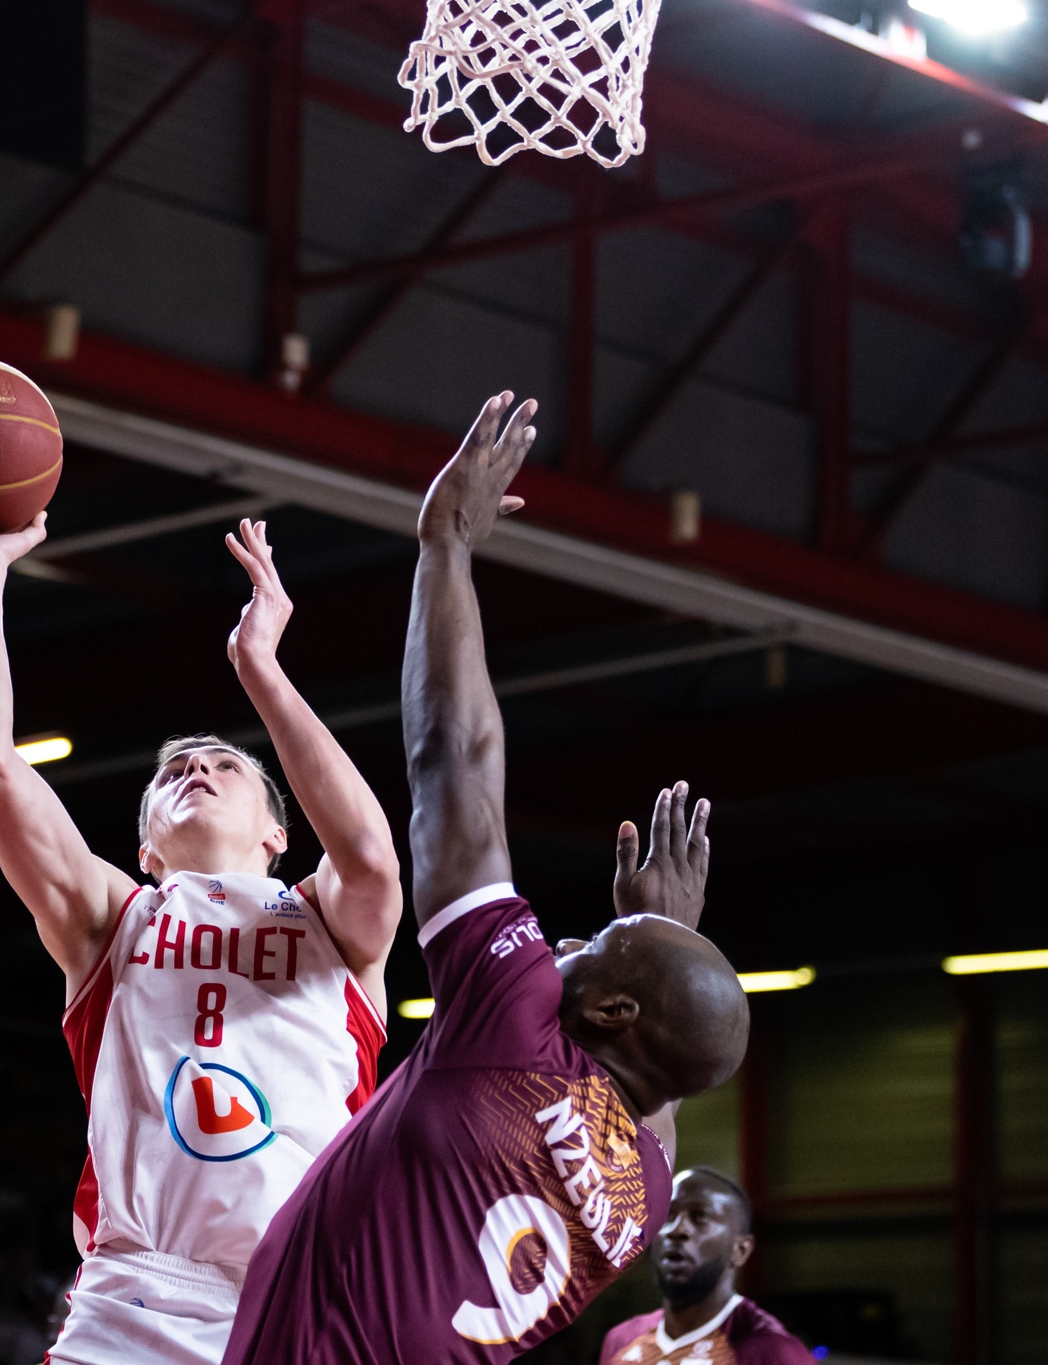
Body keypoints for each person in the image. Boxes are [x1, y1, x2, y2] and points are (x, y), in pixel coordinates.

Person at [223, 391, 750, 1364]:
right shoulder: (634, 1198)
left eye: (594, 947)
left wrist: (445, 548)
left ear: (615, 1016)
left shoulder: (510, 1029)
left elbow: (451, 761)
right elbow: (659, 1106)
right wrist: (652, 940)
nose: (567, 942)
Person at [0, 508, 402, 1365]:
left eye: (223, 764)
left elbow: (373, 856)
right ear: (145, 848)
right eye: (174, 771)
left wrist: (260, 668)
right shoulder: (111, 919)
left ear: (279, 834)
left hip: (302, 1305)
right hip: (132, 1303)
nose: (197, 767)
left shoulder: (329, 920)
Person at [598, 1169, 810, 1365]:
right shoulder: (620, 1340)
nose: (677, 1230)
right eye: (668, 1216)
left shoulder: (774, 1352)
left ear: (740, 1250)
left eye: (700, 1217)